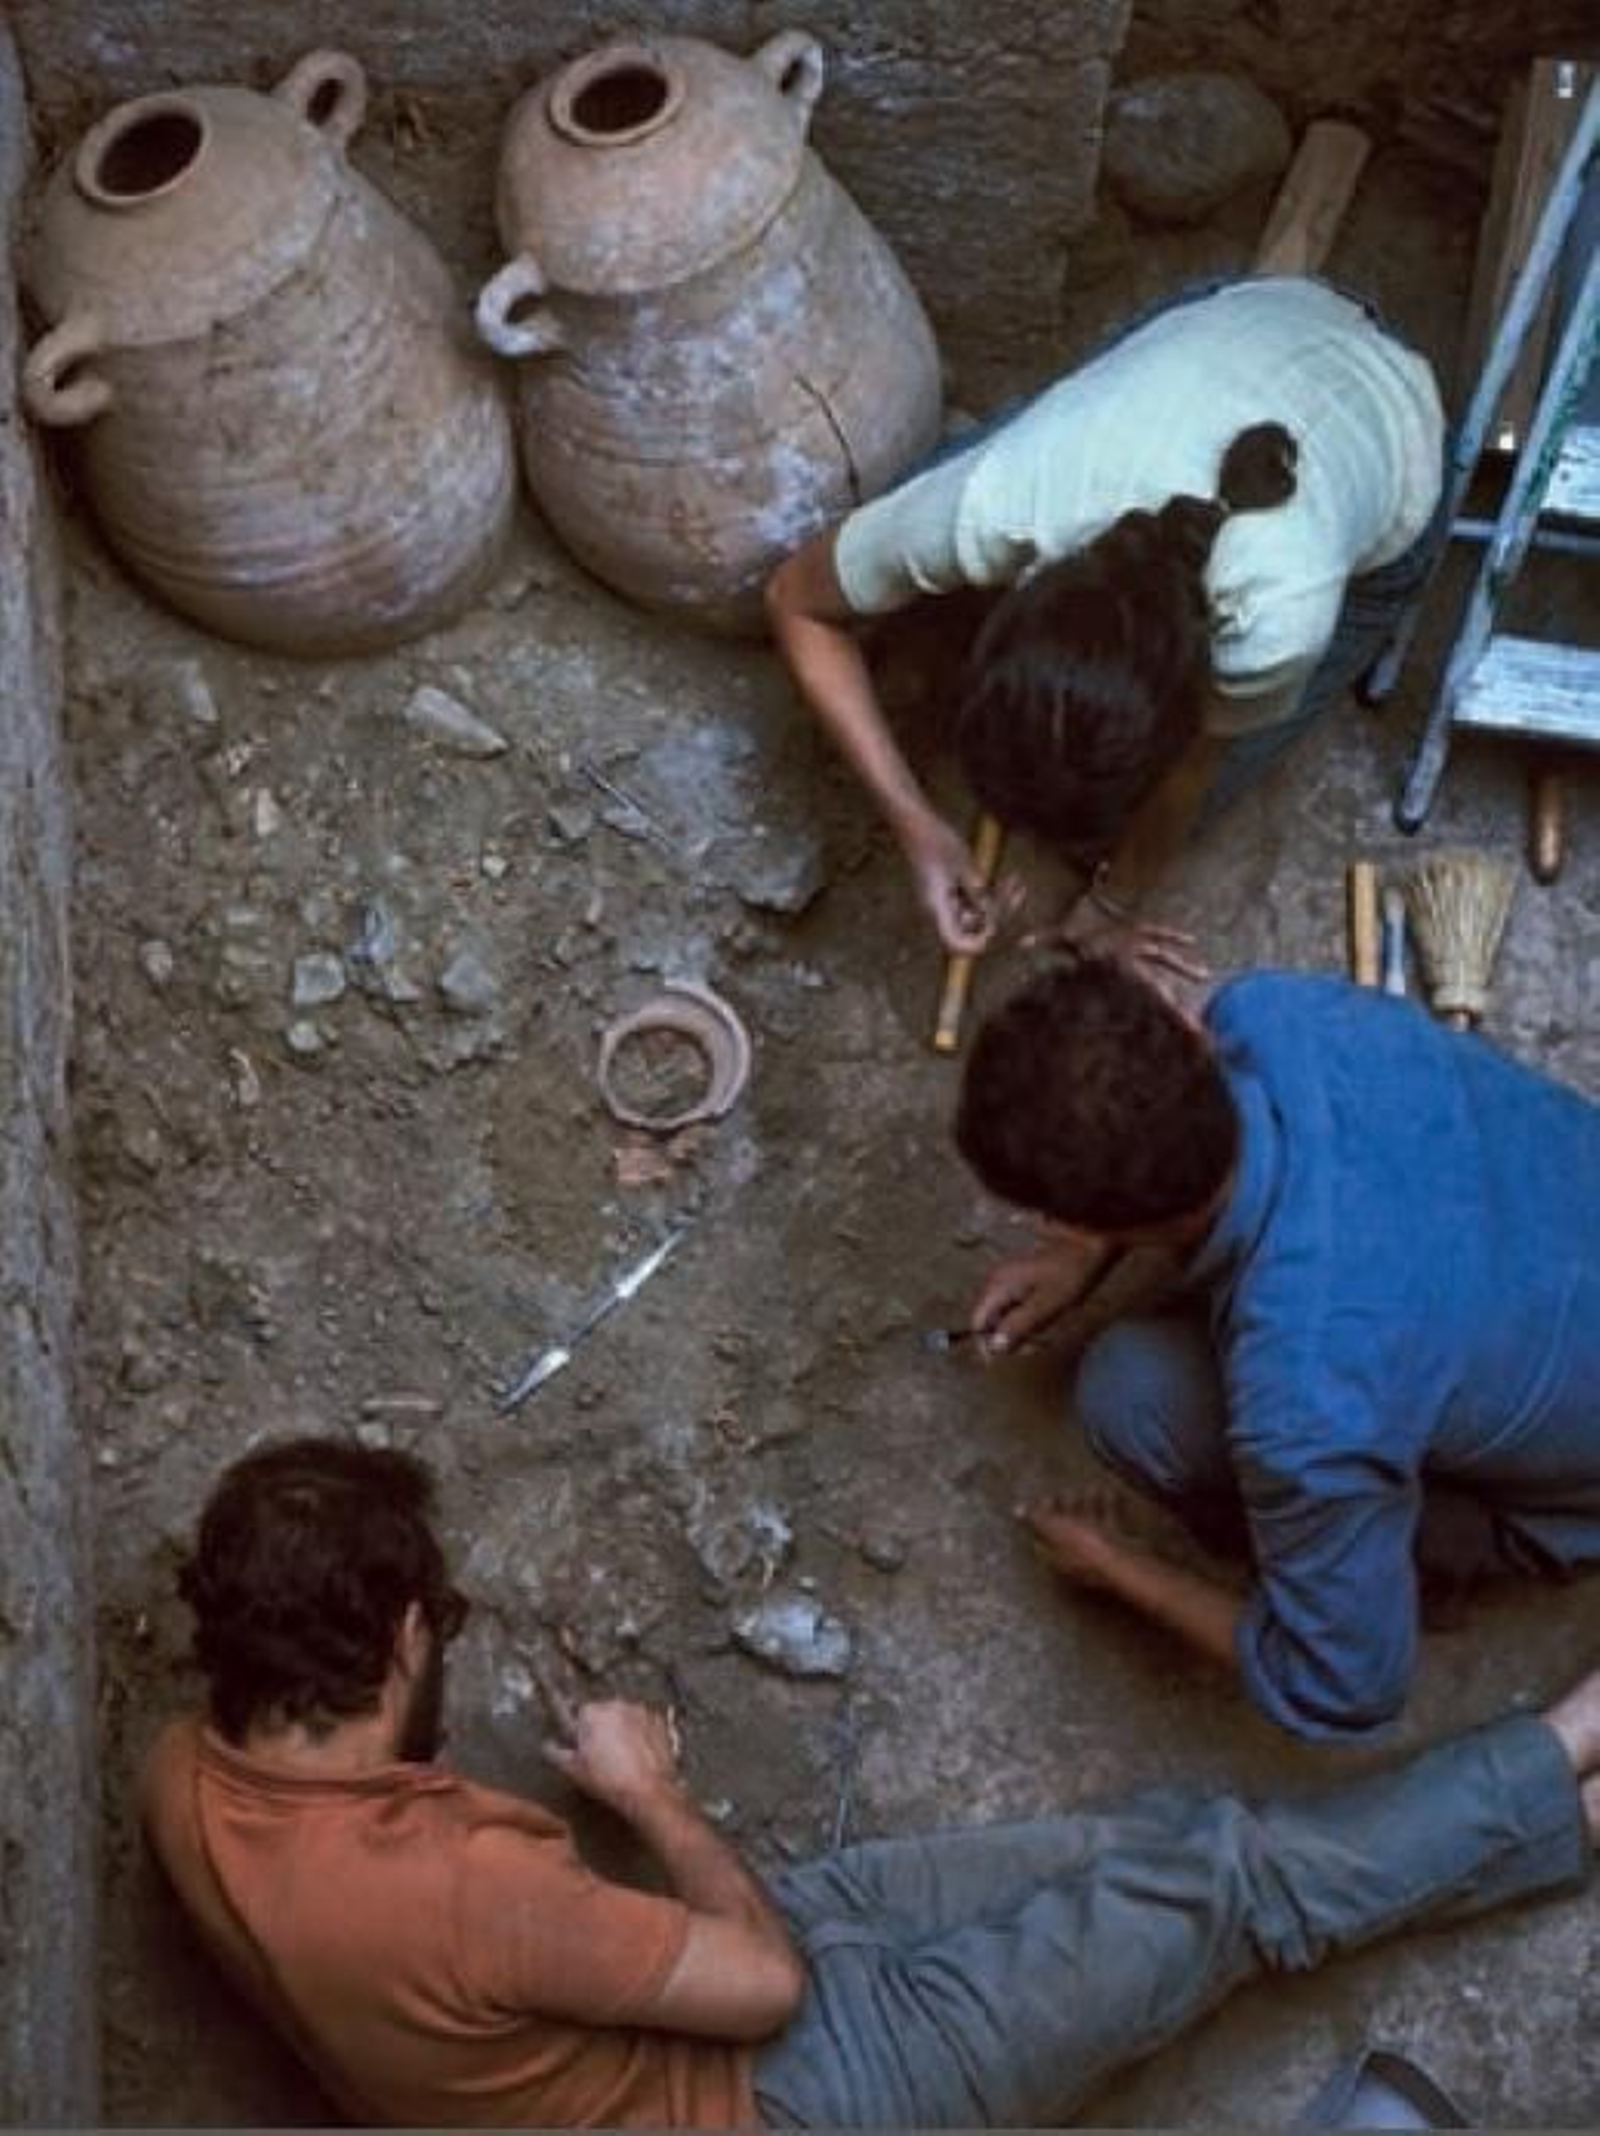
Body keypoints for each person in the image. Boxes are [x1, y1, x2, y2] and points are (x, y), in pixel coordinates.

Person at [143, 1435, 1600, 2128]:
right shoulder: (459, 1896)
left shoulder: (186, 1781)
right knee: (1222, 1883)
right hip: (802, 2094)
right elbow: (763, 1989)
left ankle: (1559, 1811)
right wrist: (650, 1796)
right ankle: (1576, 1741)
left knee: (1165, 1838)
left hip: (693, 2000)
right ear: (401, 1637)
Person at [956, 956, 1600, 1742]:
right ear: (1189, 1029)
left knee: (1130, 1398)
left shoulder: (1303, 1400)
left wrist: (1115, 1566)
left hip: (1573, 1503)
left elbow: (1345, 1688)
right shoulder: (1277, 1012)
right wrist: (1084, 1254)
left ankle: (1417, 1571)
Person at [765, 275, 1444, 959]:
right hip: (1248, 311)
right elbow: (795, 599)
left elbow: (1190, 769)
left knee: (1117, 835)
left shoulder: (1276, 623)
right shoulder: (1003, 497)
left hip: (1396, 423)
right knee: (918, 543)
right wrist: (920, 830)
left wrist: (1110, 905)